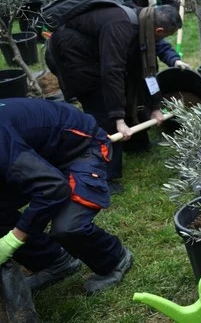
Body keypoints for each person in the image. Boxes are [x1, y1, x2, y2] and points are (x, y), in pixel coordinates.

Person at [46, 2, 185, 193]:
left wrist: (173, 61)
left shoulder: (145, 20)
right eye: (166, 35)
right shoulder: (120, 27)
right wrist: (118, 119)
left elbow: (154, 52)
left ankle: (137, 143)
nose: (162, 40)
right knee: (104, 113)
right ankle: (105, 176)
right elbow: (112, 72)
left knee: (128, 90)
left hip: (96, 53)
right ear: (159, 29)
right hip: (74, 57)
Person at [0, 98, 133, 295]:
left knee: (68, 226)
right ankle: (54, 261)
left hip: (81, 148)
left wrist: (12, 240)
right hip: (41, 154)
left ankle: (115, 259)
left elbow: (53, 188)